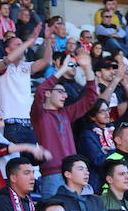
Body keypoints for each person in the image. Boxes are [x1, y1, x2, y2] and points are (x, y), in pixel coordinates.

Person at [31, 46, 99, 197]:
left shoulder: (66, 113)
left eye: (65, 92)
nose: (65, 96)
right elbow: (40, 90)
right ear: (49, 94)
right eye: (60, 91)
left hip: (72, 174)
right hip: (53, 174)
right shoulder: (39, 114)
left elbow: (91, 98)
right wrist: (62, 70)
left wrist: (87, 69)